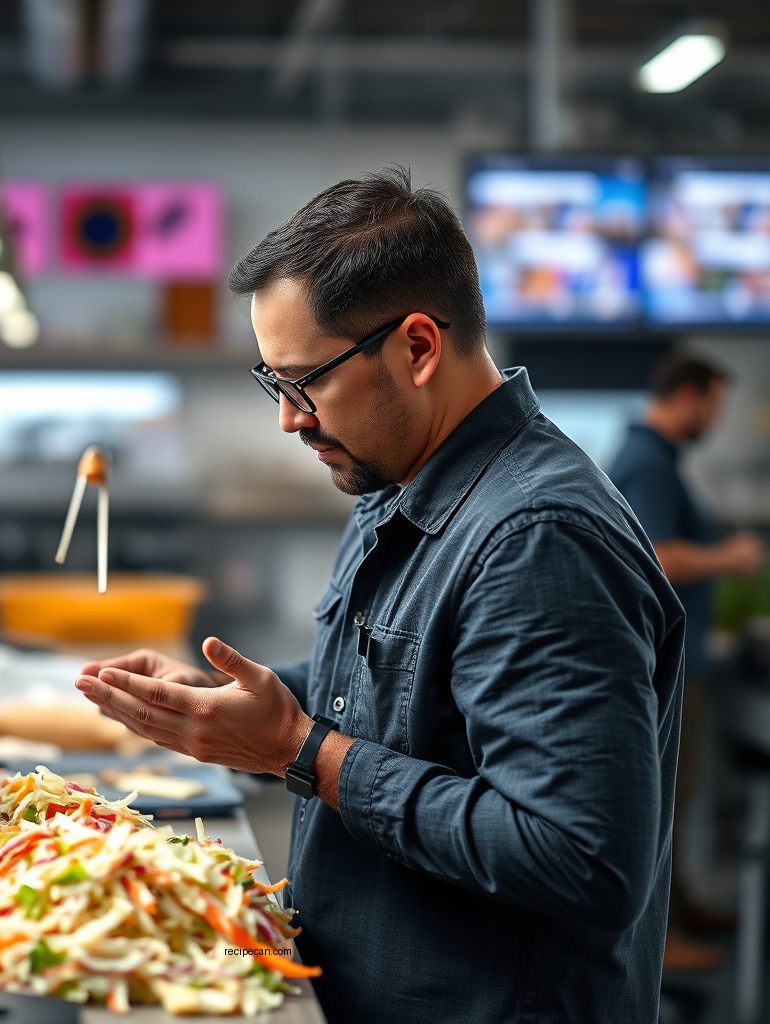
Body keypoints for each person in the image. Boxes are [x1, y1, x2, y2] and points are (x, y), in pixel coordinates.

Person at [75, 167, 685, 1024]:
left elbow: (579, 857)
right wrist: (228, 699)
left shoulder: (538, 536)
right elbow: (395, 689)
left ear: (418, 347)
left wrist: (299, 748)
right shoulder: (395, 480)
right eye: (273, 383)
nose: (289, 419)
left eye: (305, 382)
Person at [608, 352, 765, 972]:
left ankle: (685, 905)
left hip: (677, 658)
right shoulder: (648, 462)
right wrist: (728, 557)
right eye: (715, 407)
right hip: (660, 667)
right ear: (689, 397)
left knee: (679, 796)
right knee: (661, 801)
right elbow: (658, 557)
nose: (716, 420)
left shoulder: (658, 461)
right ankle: (659, 942)